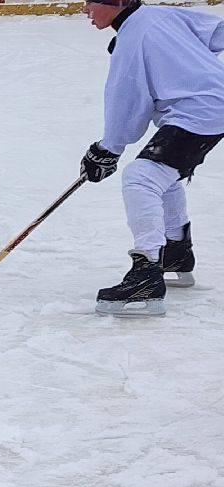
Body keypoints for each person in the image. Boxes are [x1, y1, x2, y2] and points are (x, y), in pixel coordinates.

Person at [80, 0, 224, 315]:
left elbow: (127, 100)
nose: (85, 8)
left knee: (140, 177)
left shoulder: (132, 40)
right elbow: (216, 32)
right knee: (161, 176)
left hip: (200, 112)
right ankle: (175, 252)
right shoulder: (160, 13)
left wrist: (108, 149)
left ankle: (146, 274)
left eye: (91, 2)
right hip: (213, 104)